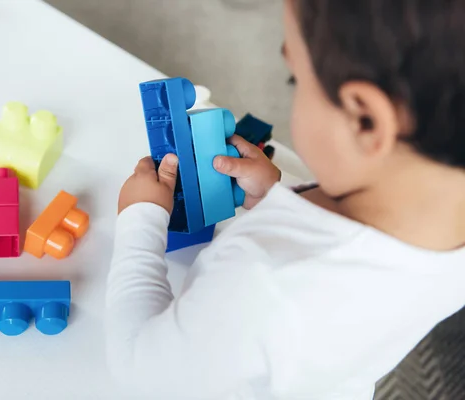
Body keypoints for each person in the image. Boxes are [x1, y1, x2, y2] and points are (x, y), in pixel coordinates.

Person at [105, 0, 465, 399]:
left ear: (365, 120)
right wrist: (279, 194)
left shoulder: (262, 280)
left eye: (296, 79)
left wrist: (140, 220)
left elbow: (139, 369)